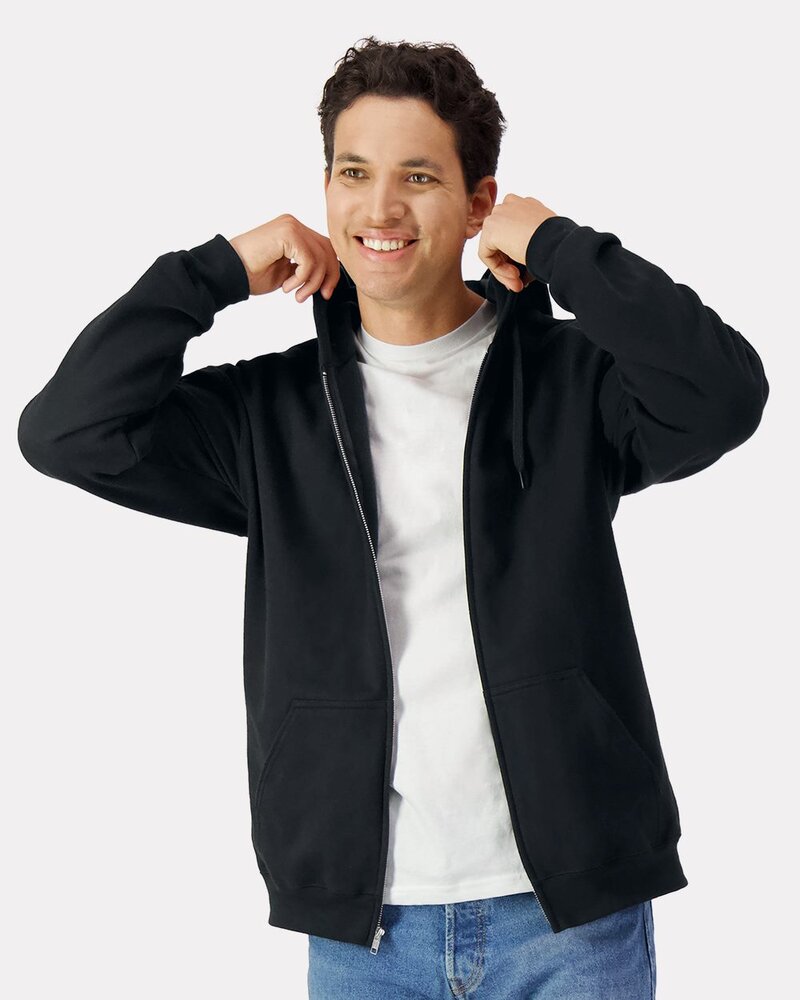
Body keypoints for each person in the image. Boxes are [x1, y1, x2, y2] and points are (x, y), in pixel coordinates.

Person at [17, 35, 768, 1000]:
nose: (380, 209)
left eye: (418, 176)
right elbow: (67, 433)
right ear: (326, 188)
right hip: (366, 929)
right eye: (354, 173)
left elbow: (722, 395)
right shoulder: (268, 413)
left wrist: (558, 245)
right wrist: (209, 273)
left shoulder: (574, 386)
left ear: (478, 203)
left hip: (571, 916)